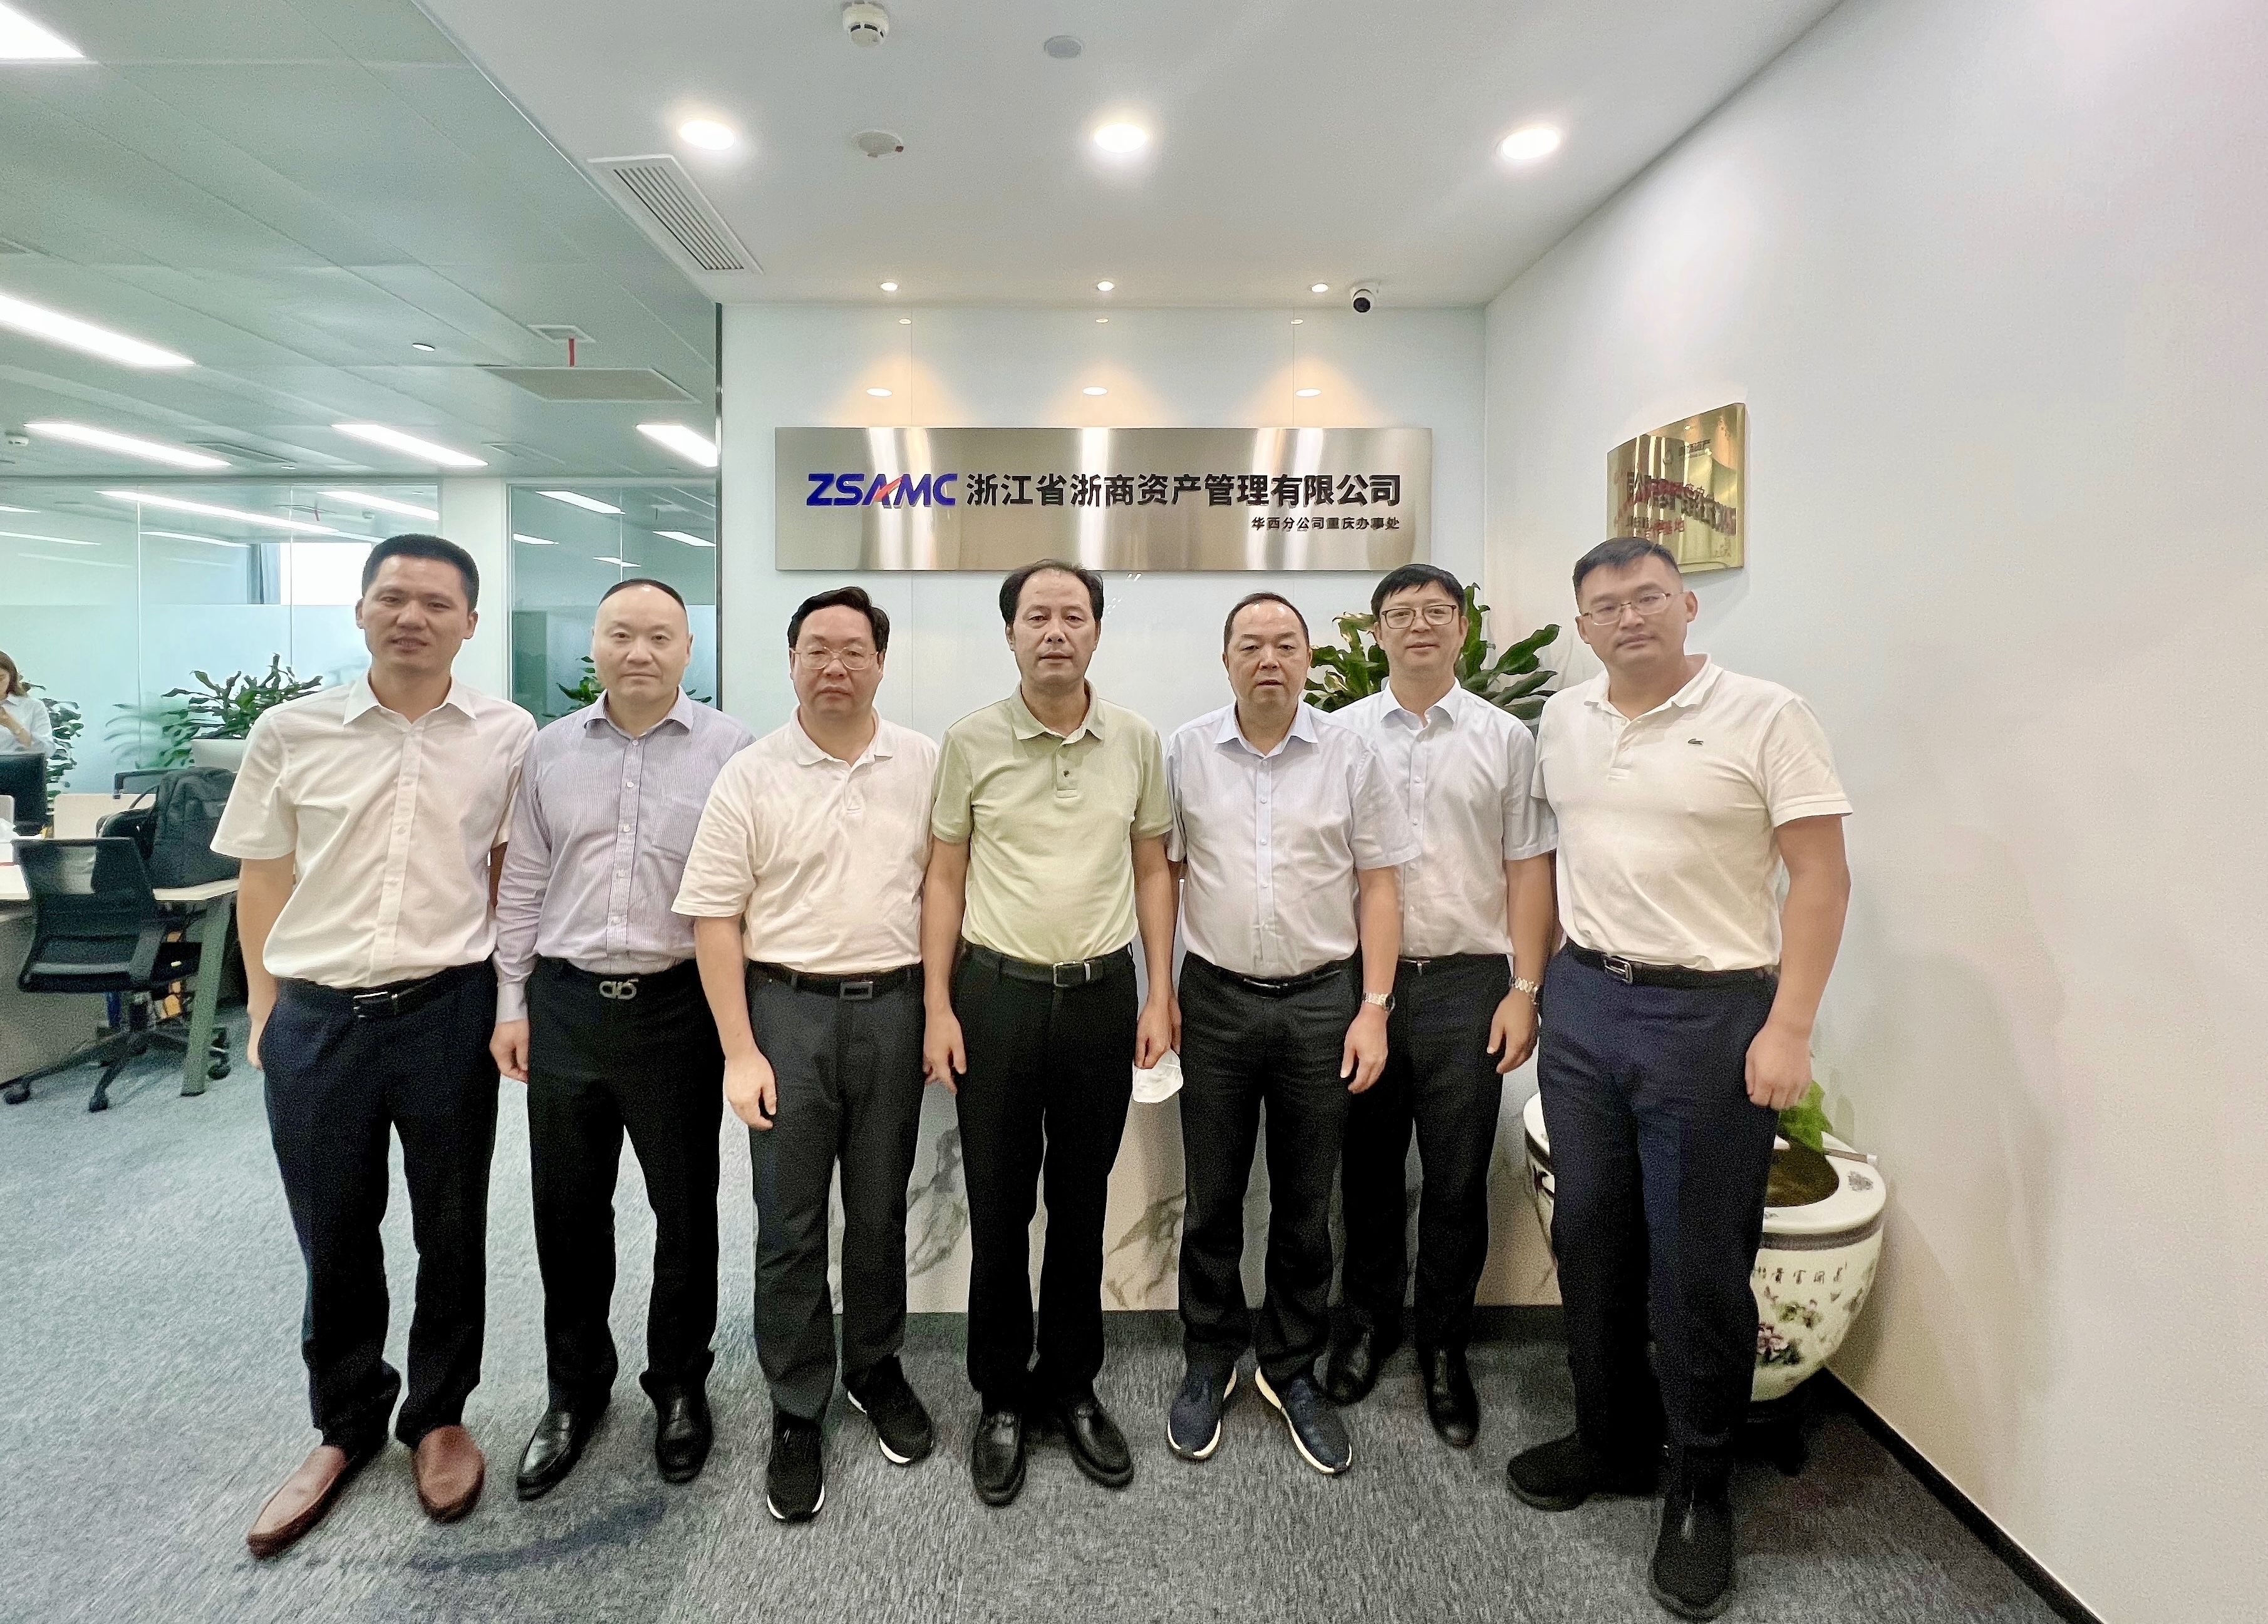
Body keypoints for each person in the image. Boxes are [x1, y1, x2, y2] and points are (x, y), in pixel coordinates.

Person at [1507, 536, 1851, 1621]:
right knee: (1590, 1233)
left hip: (1712, 1013)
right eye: (1605, 605)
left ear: (1686, 605)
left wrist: (1789, 1025)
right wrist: (1533, 986)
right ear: (1582, 624)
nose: (1628, 617)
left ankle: (1700, 1483)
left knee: (1700, 1260)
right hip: (1586, 1001)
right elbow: (1548, 859)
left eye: (1647, 595)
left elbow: (1821, 878)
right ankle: (1609, 1439)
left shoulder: (1766, 714)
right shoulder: (1565, 719)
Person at [215, 534, 535, 1558]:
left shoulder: (506, 733)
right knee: (334, 1229)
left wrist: (505, 997)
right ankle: (345, 1425)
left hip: (447, 1007)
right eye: (393, 597)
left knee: (452, 1222)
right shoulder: (291, 730)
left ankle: (439, 1414)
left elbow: (506, 872)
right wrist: (266, 1009)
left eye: (437, 603)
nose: (413, 617)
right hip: (317, 1016)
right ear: (360, 611)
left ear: (469, 624)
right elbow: (262, 876)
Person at [676, 586, 940, 1524]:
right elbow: (715, 918)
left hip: (895, 1009)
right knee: (789, 1221)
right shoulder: (750, 774)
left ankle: (874, 1367)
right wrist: (738, 1051)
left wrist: (938, 1009)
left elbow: (946, 892)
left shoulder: (923, 763)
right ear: (791, 661)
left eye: (854, 650)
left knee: (878, 1208)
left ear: (880, 662)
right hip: (784, 1011)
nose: (835, 665)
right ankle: (796, 1402)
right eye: (817, 648)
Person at [490, 577, 752, 1501]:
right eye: (621, 635)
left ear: (688, 649)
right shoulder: (548, 750)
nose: (639, 652)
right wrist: (510, 1002)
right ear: (595, 644)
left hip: (677, 1008)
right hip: (563, 1005)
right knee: (567, 1211)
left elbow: (744, 894)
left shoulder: (732, 750)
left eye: (660, 637)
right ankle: (575, 1393)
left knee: (685, 1210)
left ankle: (679, 1383)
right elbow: (523, 880)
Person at [922, 559, 1176, 1508]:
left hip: (1102, 998)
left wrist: (1159, 993)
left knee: (1080, 1204)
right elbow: (945, 876)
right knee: (997, 1207)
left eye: (1074, 615)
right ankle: (1000, 1394)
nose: (1056, 631)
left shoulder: (1136, 740)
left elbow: (1152, 869)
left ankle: (1071, 1385)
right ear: (1011, 633)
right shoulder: (970, 740)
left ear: (1097, 632)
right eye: (1038, 616)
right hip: (996, 997)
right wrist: (938, 1004)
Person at [1164, 592, 1412, 1477]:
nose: (1268, 658)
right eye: (1250, 644)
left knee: (1307, 1204)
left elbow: (1379, 885)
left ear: (1309, 658)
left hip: (1321, 1003)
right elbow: (1165, 875)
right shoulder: (1186, 751)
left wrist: (1374, 1006)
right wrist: (1158, 993)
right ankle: (1210, 1356)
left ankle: (1290, 1364)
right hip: (1216, 1001)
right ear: (1225, 659)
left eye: (1285, 644)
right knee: (1213, 1197)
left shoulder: (1351, 752)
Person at [1325, 563, 1558, 1448]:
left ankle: (1444, 1347)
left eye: (1436, 611)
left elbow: (1528, 869)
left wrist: (1525, 989)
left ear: (1462, 628)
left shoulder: (1506, 739)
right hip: (1362, 987)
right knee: (1367, 1171)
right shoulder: (1340, 734)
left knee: (1458, 1181)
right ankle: (1366, 1325)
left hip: (1469, 984)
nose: (1419, 625)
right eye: (1401, 613)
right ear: (1378, 631)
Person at [0, 649, 54, 758]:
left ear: (11, 677)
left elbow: (47, 751)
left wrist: (13, 725)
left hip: (18, 768)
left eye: (0, 679)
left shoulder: (33, 707)